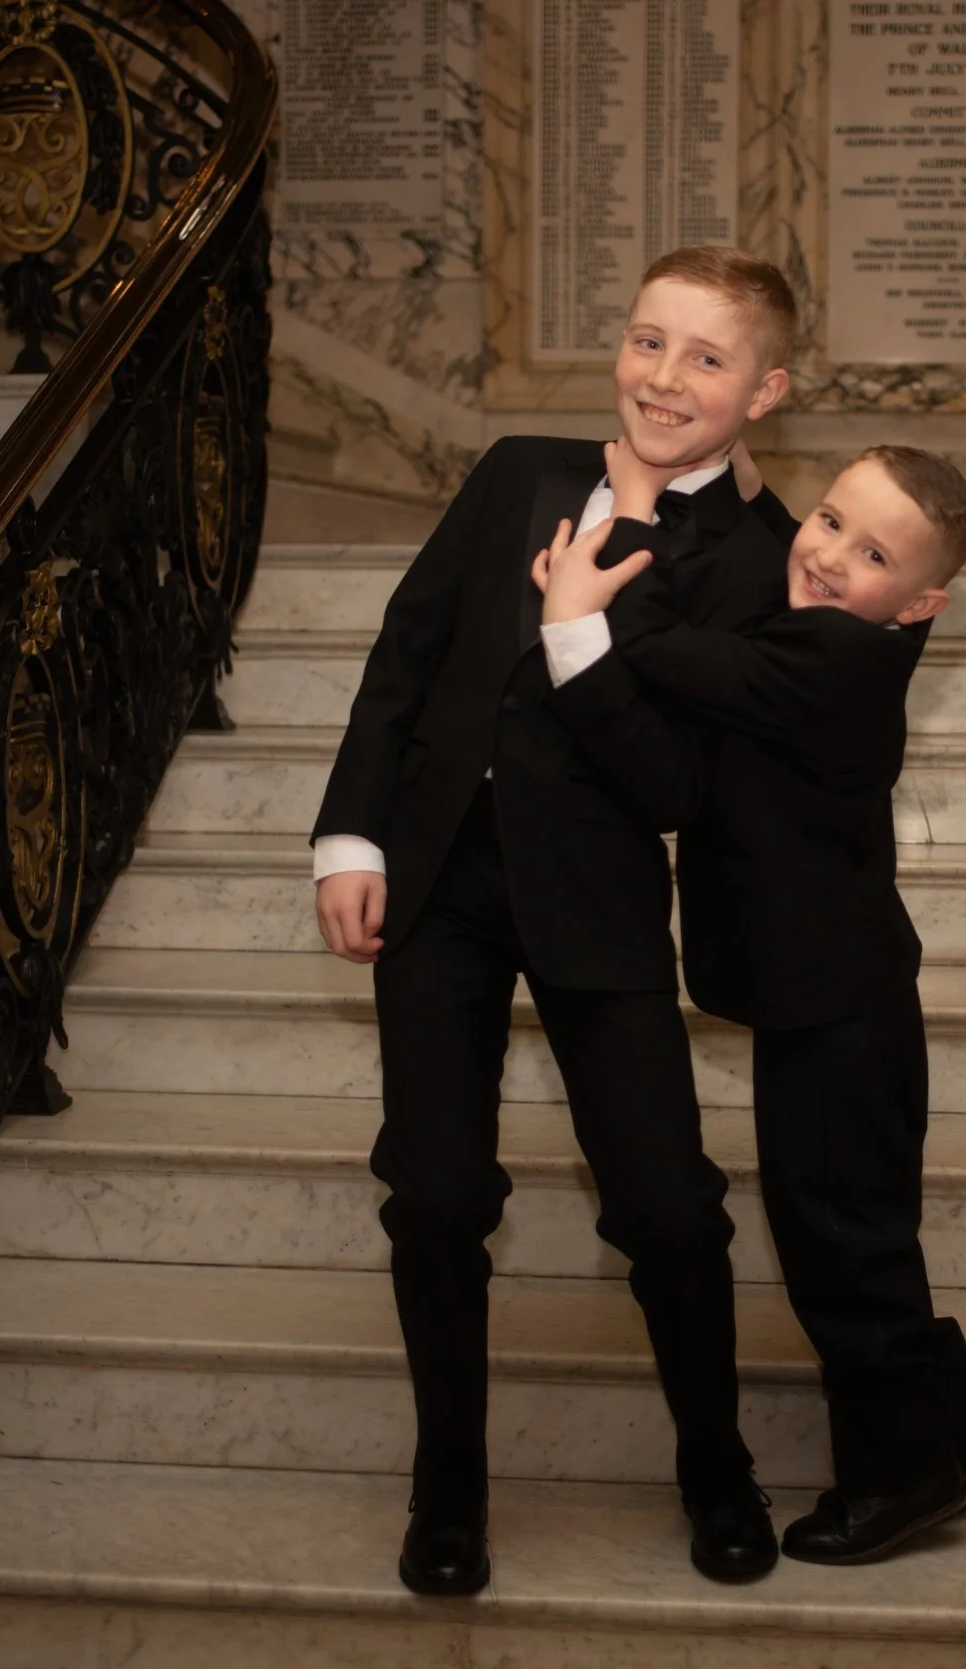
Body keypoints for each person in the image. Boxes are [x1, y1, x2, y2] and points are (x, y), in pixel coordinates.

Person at [309, 245, 802, 1595]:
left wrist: (585, 630)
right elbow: (409, 650)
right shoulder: (518, 469)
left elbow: (678, 781)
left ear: (766, 390)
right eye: (650, 341)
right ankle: (448, 1488)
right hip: (438, 882)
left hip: (596, 896)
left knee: (670, 1204)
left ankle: (719, 1469)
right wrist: (352, 832)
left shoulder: (757, 561)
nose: (666, 376)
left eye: (708, 357)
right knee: (439, 1189)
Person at [530, 443, 966, 1564]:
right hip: (837, 993)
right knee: (862, 1227)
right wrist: (754, 498)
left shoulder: (829, 660)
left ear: (921, 602)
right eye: (829, 519)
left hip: (835, 1003)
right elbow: (820, 551)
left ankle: (898, 1477)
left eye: (870, 552)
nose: (829, 554)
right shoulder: (871, 632)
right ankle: (946, 1435)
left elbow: (661, 649)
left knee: (839, 1243)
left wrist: (592, 587)